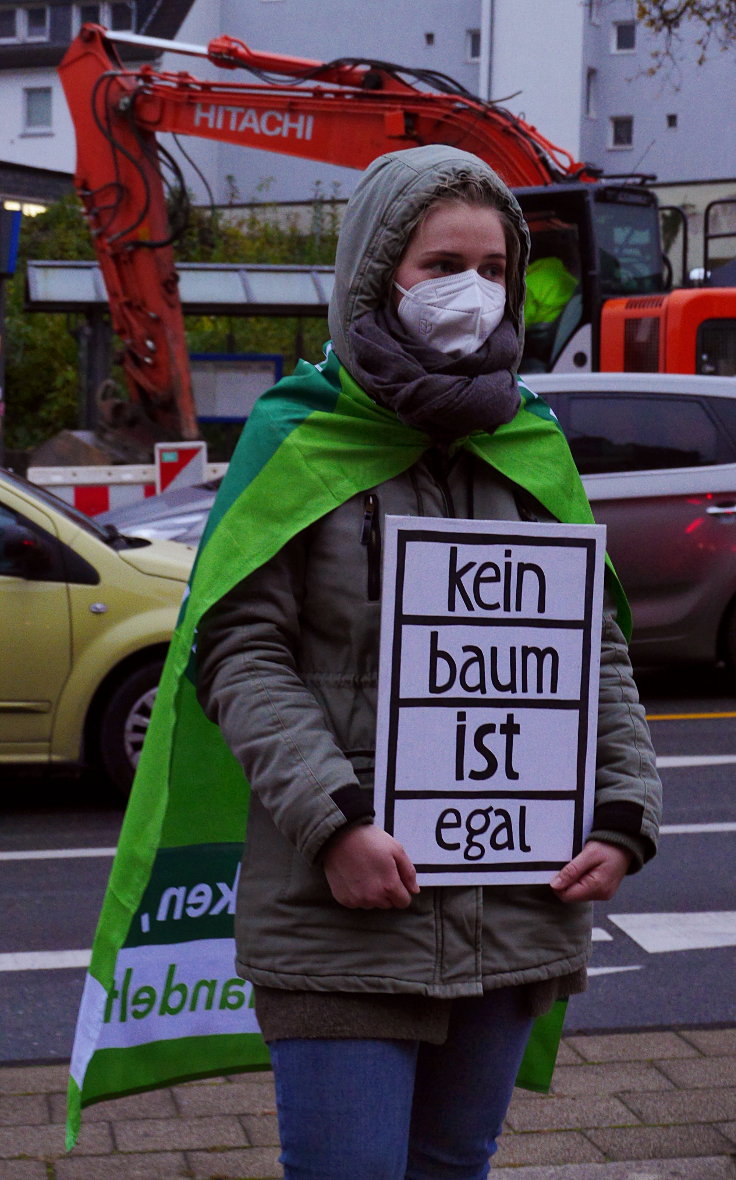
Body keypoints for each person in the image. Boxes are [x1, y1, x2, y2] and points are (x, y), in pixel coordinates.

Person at [195, 144, 662, 1180]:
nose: (474, 292)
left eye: (495, 269)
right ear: (375, 274)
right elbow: (238, 651)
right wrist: (337, 822)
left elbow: (594, 652)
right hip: (344, 912)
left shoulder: (530, 444)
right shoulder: (298, 439)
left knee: (455, 1166)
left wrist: (627, 814)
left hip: (513, 909)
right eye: (440, 264)